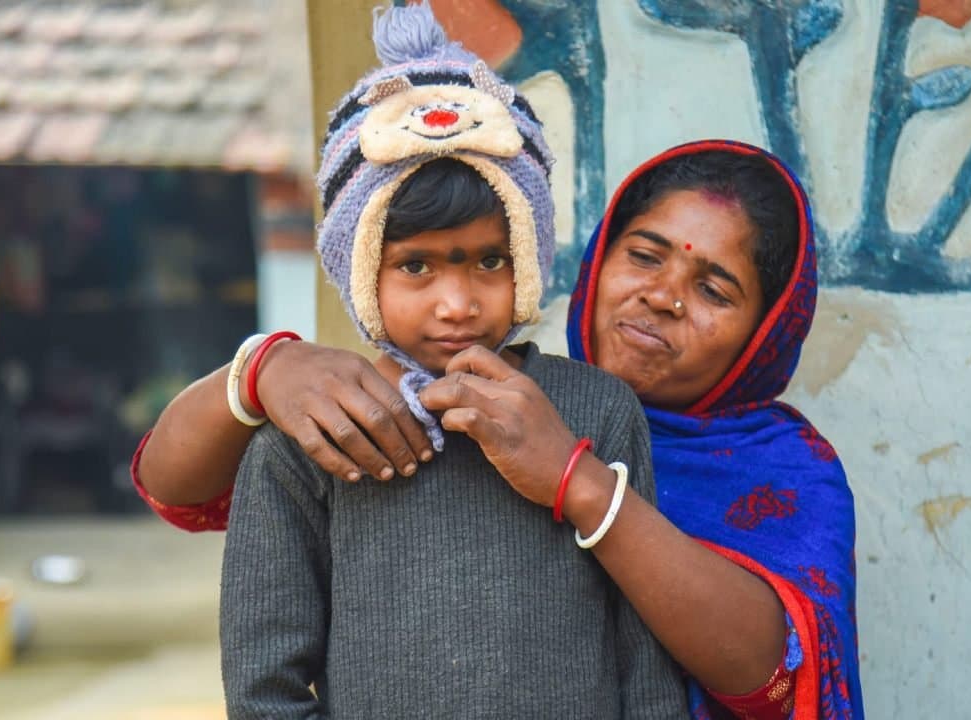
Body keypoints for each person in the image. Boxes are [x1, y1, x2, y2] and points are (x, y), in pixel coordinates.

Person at [135, 74, 862, 720]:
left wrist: (576, 480)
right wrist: (259, 368)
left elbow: (768, 680)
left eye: (714, 290)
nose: (663, 297)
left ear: (767, 330)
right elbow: (180, 499)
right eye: (644, 256)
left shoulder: (739, 460)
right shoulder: (334, 412)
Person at [215, 4, 688, 718]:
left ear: (527, 256)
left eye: (490, 261)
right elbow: (263, 688)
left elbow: (647, 672)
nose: (457, 304)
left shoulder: (598, 410)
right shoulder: (308, 437)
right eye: (416, 266)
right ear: (359, 268)